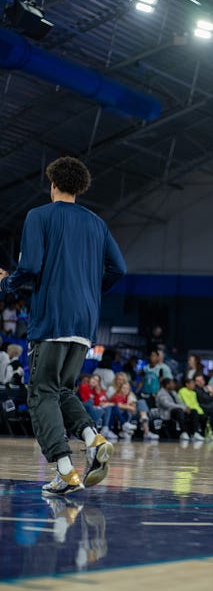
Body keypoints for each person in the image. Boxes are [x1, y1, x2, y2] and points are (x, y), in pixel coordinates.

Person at [0, 156, 126, 495]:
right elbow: (119, 269)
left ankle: (66, 470)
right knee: (63, 390)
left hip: (53, 317)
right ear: (79, 187)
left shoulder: (39, 216)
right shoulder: (97, 223)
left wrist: (5, 283)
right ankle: (91, 437)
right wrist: (87, 291)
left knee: (40, 393)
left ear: (53, 183)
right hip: (85, 322)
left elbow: (31, 267)